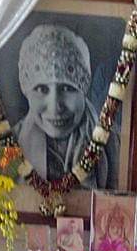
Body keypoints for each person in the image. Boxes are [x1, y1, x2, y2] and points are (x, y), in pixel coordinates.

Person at [14, 24, 119, 187]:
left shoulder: (114, 145)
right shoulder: (8, 148)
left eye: (67, 88)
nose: (55, 107)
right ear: (26, 91)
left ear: (83, 90)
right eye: (42, 89)